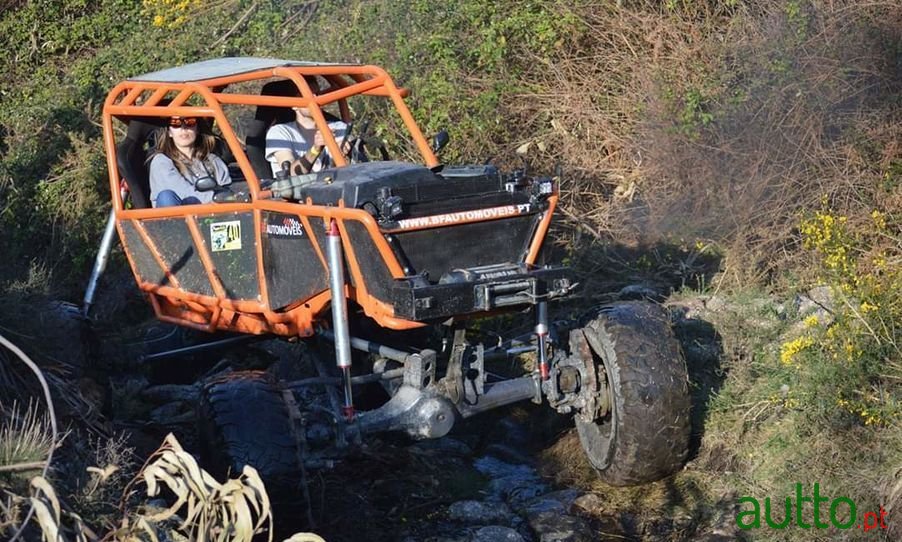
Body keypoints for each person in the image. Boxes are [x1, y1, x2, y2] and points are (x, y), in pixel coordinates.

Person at [265, 78, 348, 177]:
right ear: (294, 104)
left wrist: (345, 154)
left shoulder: (338, 127)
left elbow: (352, 171)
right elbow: (291, 174)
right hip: (299, 191)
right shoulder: (279, 132)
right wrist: (316, 149)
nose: (315, 98)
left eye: (317, 94)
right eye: (307, 95)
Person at [149, 116, 231, 207]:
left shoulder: (213, 160)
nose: (183, 128)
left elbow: (228, 190)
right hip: (180, 217)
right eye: (175, 123)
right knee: (166, 197)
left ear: (197, 129)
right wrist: (218, 199)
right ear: (169, 132)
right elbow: (184, 192)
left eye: (190, 122)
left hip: (215, 216)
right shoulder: (161, 162)